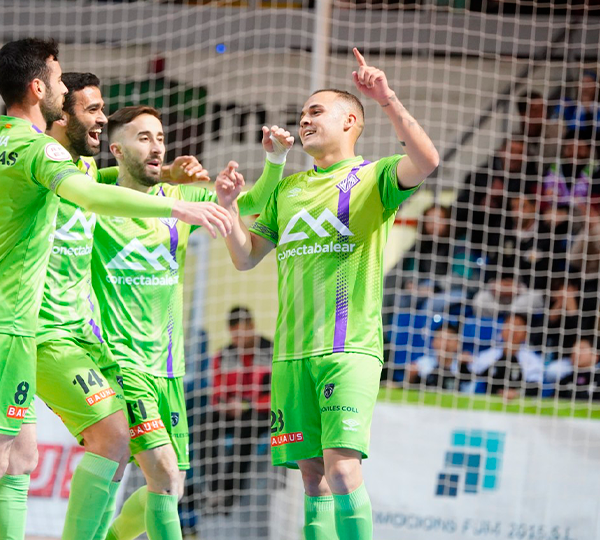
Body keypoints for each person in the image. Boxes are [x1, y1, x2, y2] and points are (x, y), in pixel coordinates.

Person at [0, 39, 231, 540]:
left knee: (19, 458)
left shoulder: (18, 151)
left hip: (11, 323)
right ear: (49, 100)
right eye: (89, 107)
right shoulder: (43, 155)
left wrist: (166, 179)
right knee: (9, 457)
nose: (101, 119)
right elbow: (89, 195)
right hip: (21, 327)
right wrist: (177, 206)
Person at [219, 48, 439, 539]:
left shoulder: (372, 177)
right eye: (302, 114)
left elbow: (427, 160)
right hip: (292, 354)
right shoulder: (287, 188)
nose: (304, 120)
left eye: (316, 110)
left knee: (342, 471)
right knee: (312, 479)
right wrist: (231, 208)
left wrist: (387, 98)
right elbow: (245, 256)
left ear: (351, 121)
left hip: (348, 348)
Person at [92, 106, 294, 540]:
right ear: (116, 149)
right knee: (161, 474)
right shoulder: (94, 204)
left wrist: (272, 163)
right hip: (121, 365)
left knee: (171, 485)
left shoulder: (182, 202)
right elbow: (77, 183)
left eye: (160, 136)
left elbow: (254, 204)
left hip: (170, 369)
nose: (156, 144)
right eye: (143, 137)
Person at [205, 306, 273, 511]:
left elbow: (279, 395)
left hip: (261, 413)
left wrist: (247, 406)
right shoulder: (223, 355)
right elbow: (216, 393)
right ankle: (212, 489)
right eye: (235, 336)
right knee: (205, 425)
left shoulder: (272, 351)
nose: (239, 340)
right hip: (232, 411)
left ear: (252, 326)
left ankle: (230, 493)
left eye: (243, 333)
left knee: (245, 428)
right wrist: (224, 406)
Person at [463, 313, 544, 399]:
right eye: (509, 325)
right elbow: (469, 375)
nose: (513, 330)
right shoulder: (490, 354)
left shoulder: (532, 359)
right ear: (502, 330)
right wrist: (463, 363)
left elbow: (536, 386)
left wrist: (517, 393)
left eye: (518, 326)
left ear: (526, 333)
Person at [407, 322, 474, 393]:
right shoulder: (422, 364)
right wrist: (411, 378)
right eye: (441, 338)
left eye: (449, 339)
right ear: (433, 342)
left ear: (458, 344)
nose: (445, 343)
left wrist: (464, 367)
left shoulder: (466, 365)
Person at [548, 338, 600, 402]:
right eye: (573, 349)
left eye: (581, 349)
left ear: (595, 355)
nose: (575, 352)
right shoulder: (565, 380)